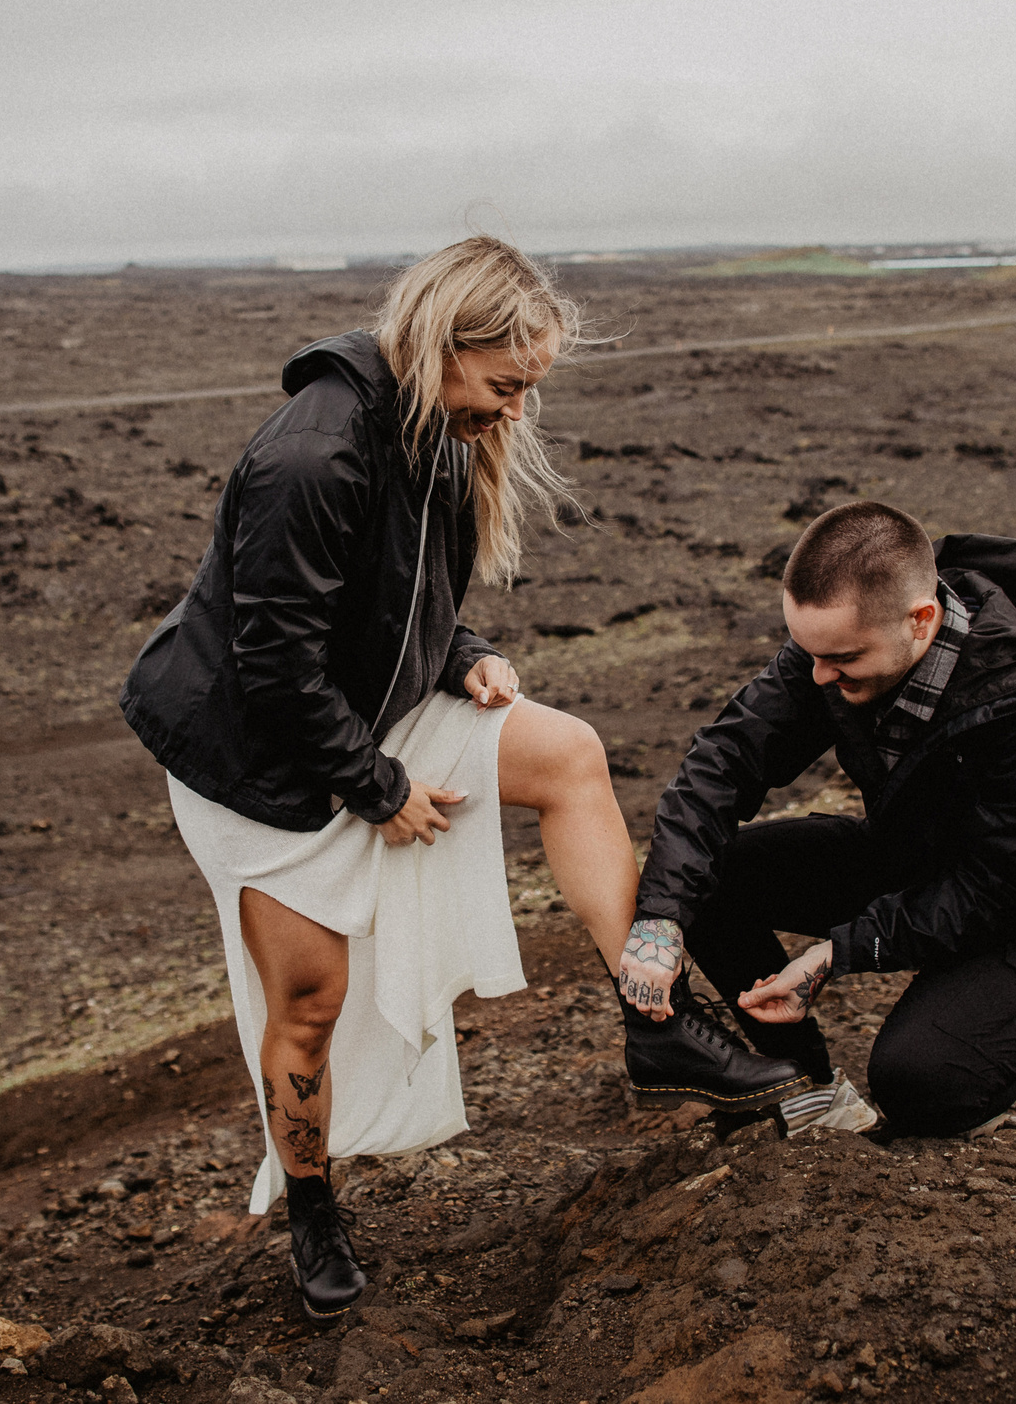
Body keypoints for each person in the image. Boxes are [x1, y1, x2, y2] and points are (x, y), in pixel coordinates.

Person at [123, 237, 678, 1323]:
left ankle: (660, 1023)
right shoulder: (313, 455)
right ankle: (310, 1206)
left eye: (531, 390)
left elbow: (396, 582)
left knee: (567, 753)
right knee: (311, 998)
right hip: (257, 768)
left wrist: (461, 647)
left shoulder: (432, 424)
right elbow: (275, 657)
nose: (517, 413)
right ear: (442, 342)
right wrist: (375, 788)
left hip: (349, 717)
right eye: (507, 385)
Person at [611, 500, 1016, 1137]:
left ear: (922, 621)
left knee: (919, 1084)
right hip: (913, 853)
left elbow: (999, 890)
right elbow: (724, 761)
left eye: (843, 660)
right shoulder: (834, 650)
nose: (818, 676)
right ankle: (802, 1084)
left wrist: (840, 952)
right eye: (808, 653)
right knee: (709, 879)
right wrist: (663, 916)